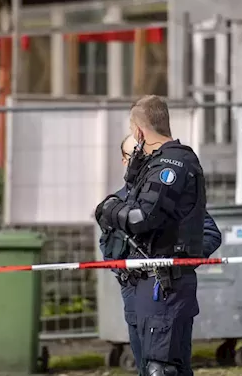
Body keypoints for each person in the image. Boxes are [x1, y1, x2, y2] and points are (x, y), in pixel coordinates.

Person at [96, 95, 211, 376]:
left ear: (138, 131)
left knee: (162, 368)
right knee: (157, 366)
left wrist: (109, 209)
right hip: (149, 282)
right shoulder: (157, 164)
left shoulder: (172, 164)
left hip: (164, 282)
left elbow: (141, 218)